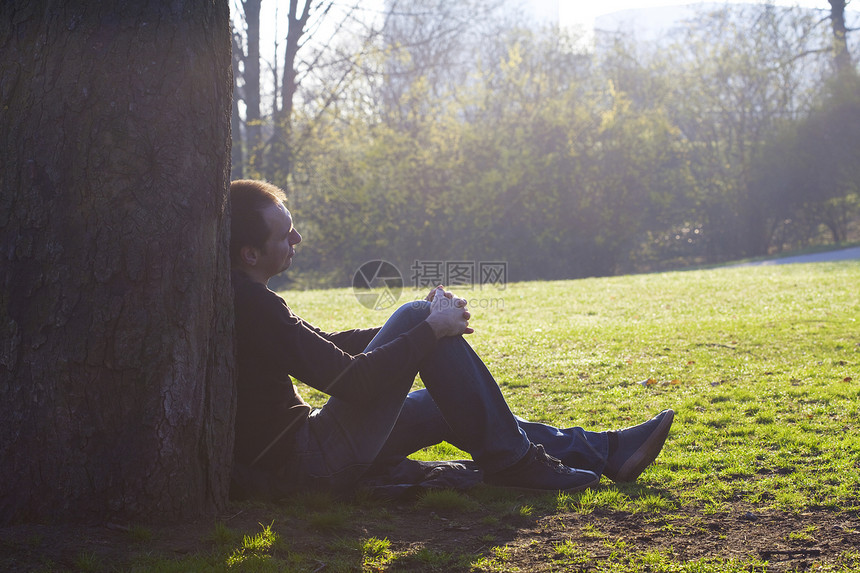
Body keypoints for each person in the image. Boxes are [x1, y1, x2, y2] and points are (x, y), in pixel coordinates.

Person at [229, 179, 674, 496]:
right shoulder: (253, 305)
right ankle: (516, 464)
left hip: (309, 450)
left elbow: (324, 344)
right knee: (420, 317)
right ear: (250, 252)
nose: (297, 238)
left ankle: (608, 450)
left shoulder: (246, 299)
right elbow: (354, 382)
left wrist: (419, 330)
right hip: (309, 465)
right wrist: (427, 327)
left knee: (444, 398)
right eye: (285, 233)